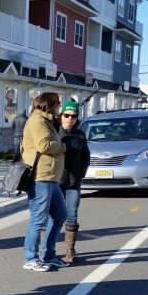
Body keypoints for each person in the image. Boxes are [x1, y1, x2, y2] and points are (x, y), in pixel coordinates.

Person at [21, 92, 68, 272]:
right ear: (49, 105)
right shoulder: (38, 121)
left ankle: (49, 255)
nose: (60, 108)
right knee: (38, 220)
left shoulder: (47, 120)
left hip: (51, 178)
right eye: (57, 104)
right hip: (41, 177)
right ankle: (30, 258)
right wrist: (65, 146)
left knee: (60, 215)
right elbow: (44, 145)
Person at [57, 101, 90, 263]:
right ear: (61, 116)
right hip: (56, 181)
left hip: (73, 181)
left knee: (72, 215)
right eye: (66, 115)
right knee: (52, 216)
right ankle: (46, 249)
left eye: (73, 116)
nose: (69, 119)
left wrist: (81, 173)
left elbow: (86, 156)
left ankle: (69, 250)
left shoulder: (80, 135)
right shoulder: (54, 132)